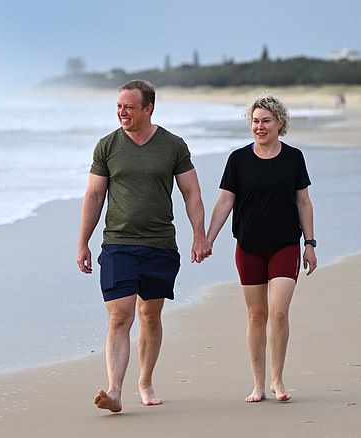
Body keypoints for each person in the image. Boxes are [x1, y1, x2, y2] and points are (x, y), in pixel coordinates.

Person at [77, 79, 207, 413]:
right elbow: (94, 195)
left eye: (129, 106)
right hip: (118, 243)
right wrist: (83, 243)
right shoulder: (107, 146)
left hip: (159, 243)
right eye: (119, 106)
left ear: (148, 108)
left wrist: (199, 234)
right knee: (120, 315)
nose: (122, 112)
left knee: (150, 314)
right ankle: (115, 391)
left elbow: (191, 192)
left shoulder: (173, 146)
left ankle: (145, 381)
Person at [205, 95, 318, 403]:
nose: (260, 126)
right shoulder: (238, 160)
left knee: (279, 313)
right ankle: (258, 384)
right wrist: (208, 239)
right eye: (255, 121)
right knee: (257, 315)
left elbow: (303, 202)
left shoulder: (293, 158)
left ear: (280, 124)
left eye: (266, 120)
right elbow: (225, 201)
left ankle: (277, 381)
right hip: (249, 247)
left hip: (285, 245)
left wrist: (309, 244)